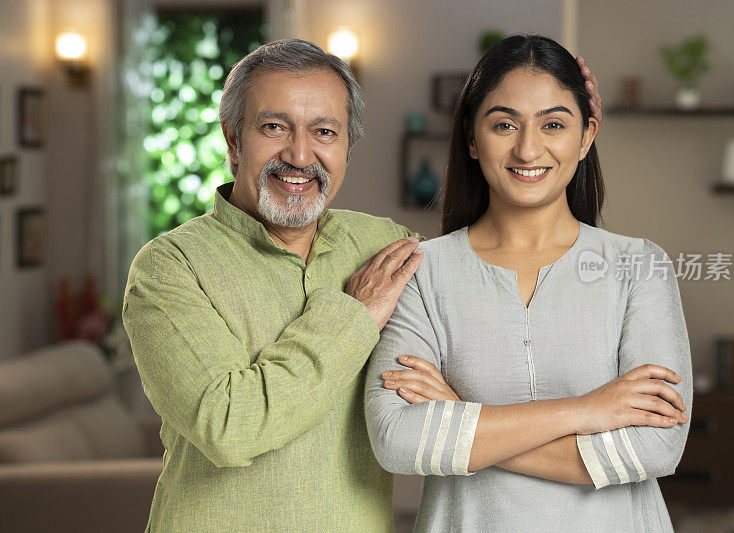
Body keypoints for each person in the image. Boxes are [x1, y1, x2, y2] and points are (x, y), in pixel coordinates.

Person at [121, 37, 606, 531]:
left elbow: (497, 261)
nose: (299, 154)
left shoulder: (384, 246)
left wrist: (560, 134)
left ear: (348, 145)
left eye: (325, 131)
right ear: (232, 137)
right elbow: (228, 428)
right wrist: (355, 316)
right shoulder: (169, 267)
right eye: (273, 127)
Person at [364, 34, 692, 532]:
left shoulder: (638, 266)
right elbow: (398, 439)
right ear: (472, 139)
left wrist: (459, 414)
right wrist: (586, 411)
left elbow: (656, 447)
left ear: (585, 136)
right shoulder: (419, 272)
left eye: (554, 124)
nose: (528, 148)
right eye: (503, 124)